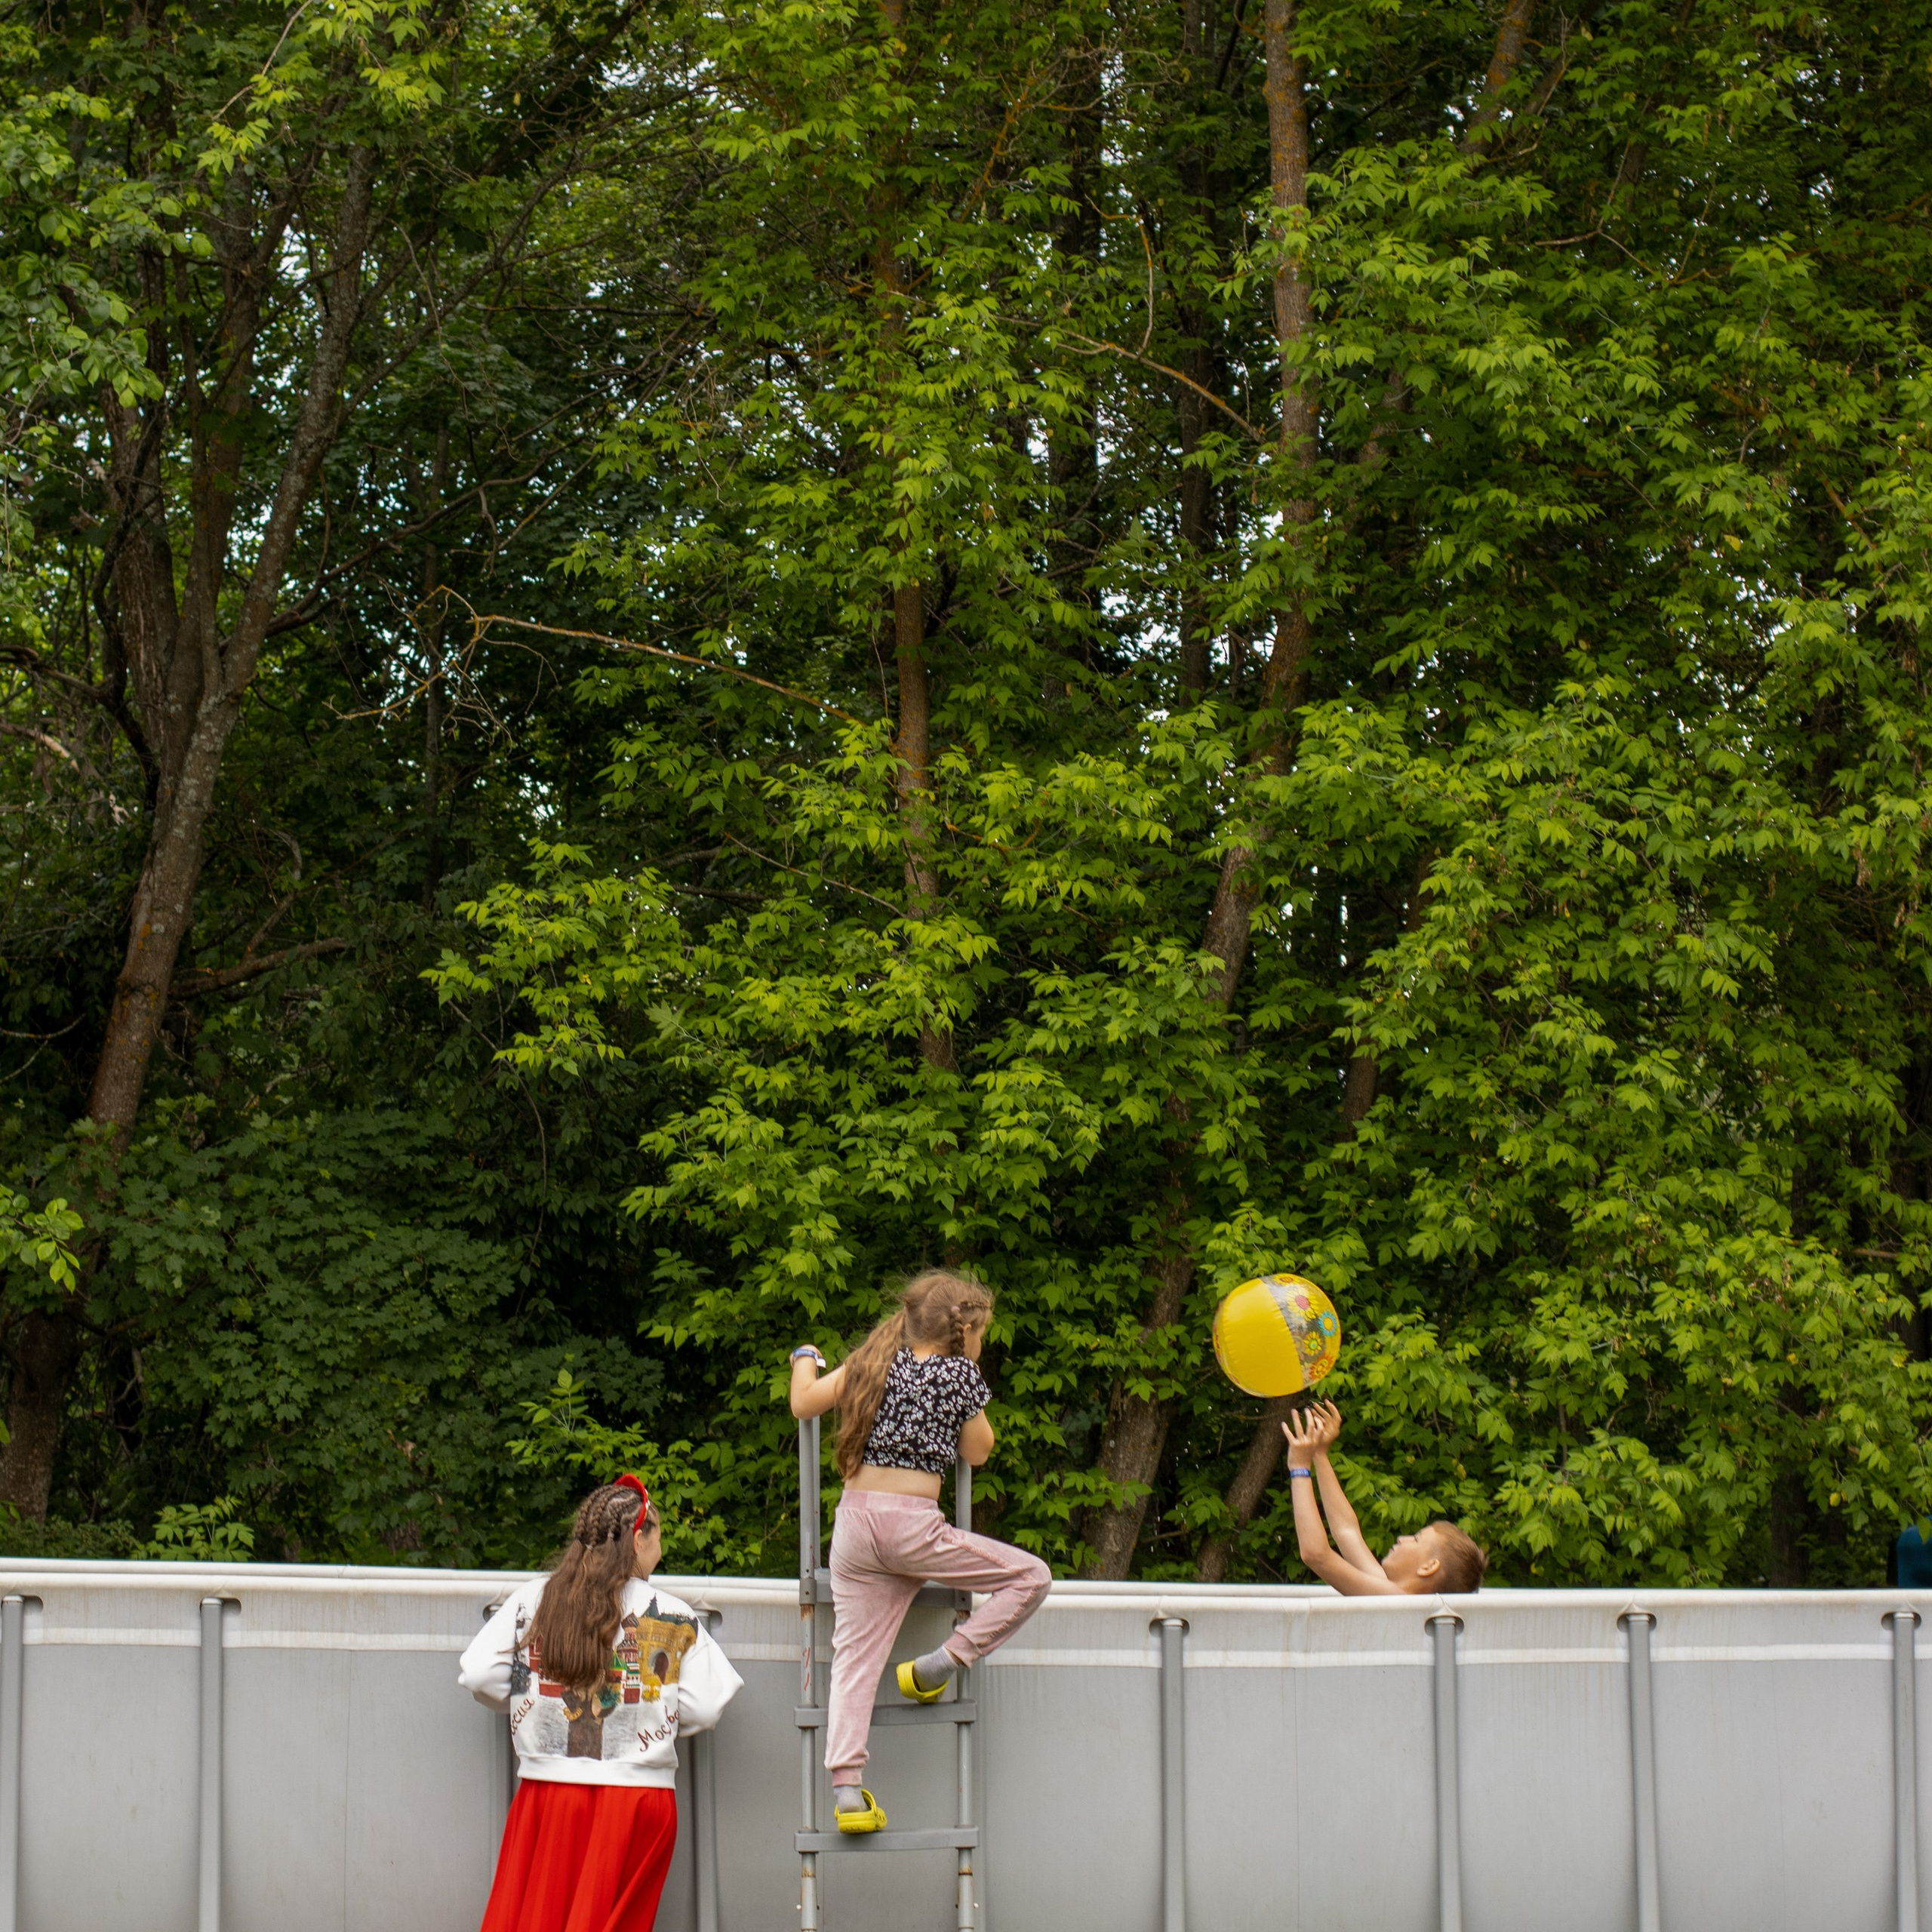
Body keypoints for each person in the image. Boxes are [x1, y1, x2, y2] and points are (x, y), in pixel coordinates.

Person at [789, 1269, 1051, 1835]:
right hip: (911, 1530)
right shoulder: (959, 1373)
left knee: (854, 1659)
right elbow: (979, 1451)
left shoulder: (872, 1361)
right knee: (1031, 1577)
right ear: (966, 1330)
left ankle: (847, 1790)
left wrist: (804, 1357)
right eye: (982, 1335)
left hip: (854, 1530)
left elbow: (804, 1402)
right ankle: (941, 1663)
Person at [460, 1475, 743, 1932]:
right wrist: (650, 1715)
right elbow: (706, 1707)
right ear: (638, 1539)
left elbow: (479, 1675)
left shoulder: (536, 1598)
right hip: (639, 1799)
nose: (662, 1547)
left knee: (537, 1918)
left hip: (549, 1791)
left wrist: (529, 1701)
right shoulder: (674, 1614)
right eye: (658, 1535)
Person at [1281, 1399, 1487, 1595]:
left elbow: (1316, 1554)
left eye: (1416, 1539)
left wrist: (1299, 1468)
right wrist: (1319, 1454)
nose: (1402, 1538)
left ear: (1428, 1567)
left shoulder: (1398, 1599)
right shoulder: (1393, 1594)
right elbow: (1346, 1531)